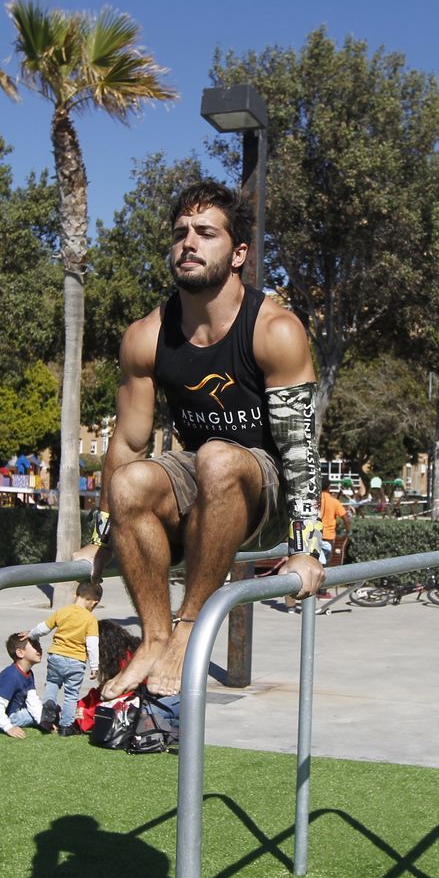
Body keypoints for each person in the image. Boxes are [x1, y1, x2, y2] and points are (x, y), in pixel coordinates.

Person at [73, 180, 324, 699]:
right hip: (199, 484)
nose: (189, 242)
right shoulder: (146, 336)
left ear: (237, 254)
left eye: (205, 232)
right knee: (129, 483)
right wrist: (99, 541)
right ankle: (157, 635)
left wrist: (306, 548)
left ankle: (188, 631)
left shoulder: (274, 329)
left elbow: (299, 450)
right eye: (180, 232)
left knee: (218, 458)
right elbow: (127, 443)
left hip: (264, 490)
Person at [28, 580, 103, 736]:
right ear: (93, 602)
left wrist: (30, 635)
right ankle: (66, 727)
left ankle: (49, 703)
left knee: (52, 683)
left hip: (56, 656)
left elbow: (43, 628)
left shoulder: (63, 611)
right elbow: (92, 644)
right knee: (71, 694)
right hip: (76, 661)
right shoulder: (90, 620)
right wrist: (94, 666)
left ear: (76, 594)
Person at [0, 631, 45, 739]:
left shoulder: (29, 673)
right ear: (20, 653)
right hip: (8, 717)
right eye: (34, 646)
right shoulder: (12, 676)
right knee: (49, 713)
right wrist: (8, 727)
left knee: (48, 710)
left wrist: (43, 721)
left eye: (39, 645)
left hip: (17, 711)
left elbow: (32, 700)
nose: (39, 649)